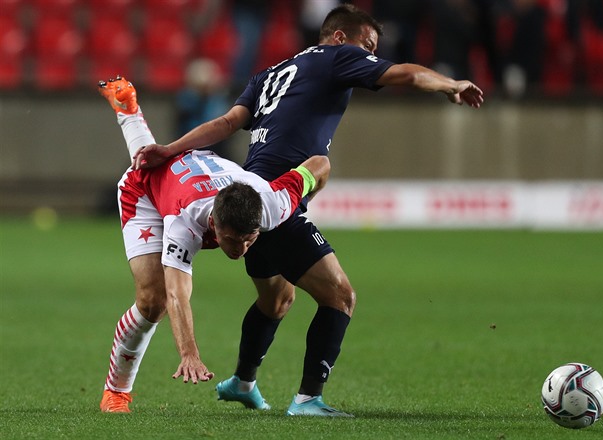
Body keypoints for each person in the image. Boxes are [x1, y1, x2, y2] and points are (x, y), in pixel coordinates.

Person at [135, 4, 484, 417]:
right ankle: (307, 399)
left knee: (277, 299)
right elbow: (405, 73)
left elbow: (227, 123)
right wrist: (449, 83)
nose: (369, 56)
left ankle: (243, 382)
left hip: (248, 197)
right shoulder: (337, 57)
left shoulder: (270, 74)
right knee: (340, 296)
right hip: (276, 204)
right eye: (367, 46)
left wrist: (170, 148)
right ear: (340, 37)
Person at [97, 76, 330, 413]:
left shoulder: (273, 202)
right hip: (145, 194)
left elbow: (319, 164)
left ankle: (129, 110)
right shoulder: (185, 221)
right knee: (153, 302)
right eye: (232, 240)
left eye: (250, 238)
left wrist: (306, 201)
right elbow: (178, 292)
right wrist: (189, 353)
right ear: (213, 225)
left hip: (192, 168)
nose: (241, 249)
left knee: (154, 160)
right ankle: (116, 391)